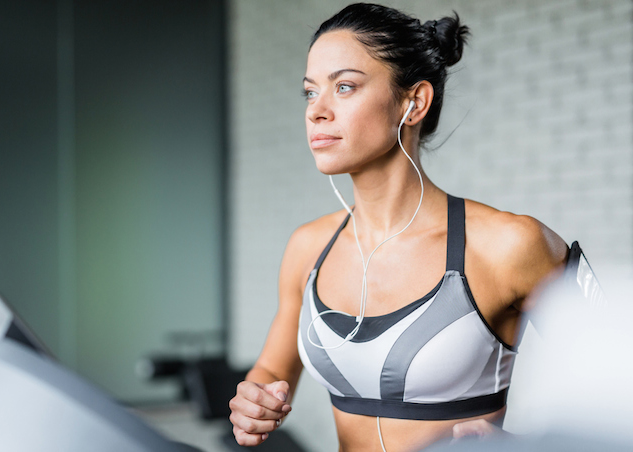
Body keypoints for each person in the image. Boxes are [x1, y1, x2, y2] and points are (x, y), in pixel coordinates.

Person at [228, 3, 567, 452]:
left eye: (344, 86)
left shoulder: (509, 245)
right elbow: (271, 372)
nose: (317, 111)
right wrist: (253, 401)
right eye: (310, 92)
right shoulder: (308, 247)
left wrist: (526, 447)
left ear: (414, 102)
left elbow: (618, 385)